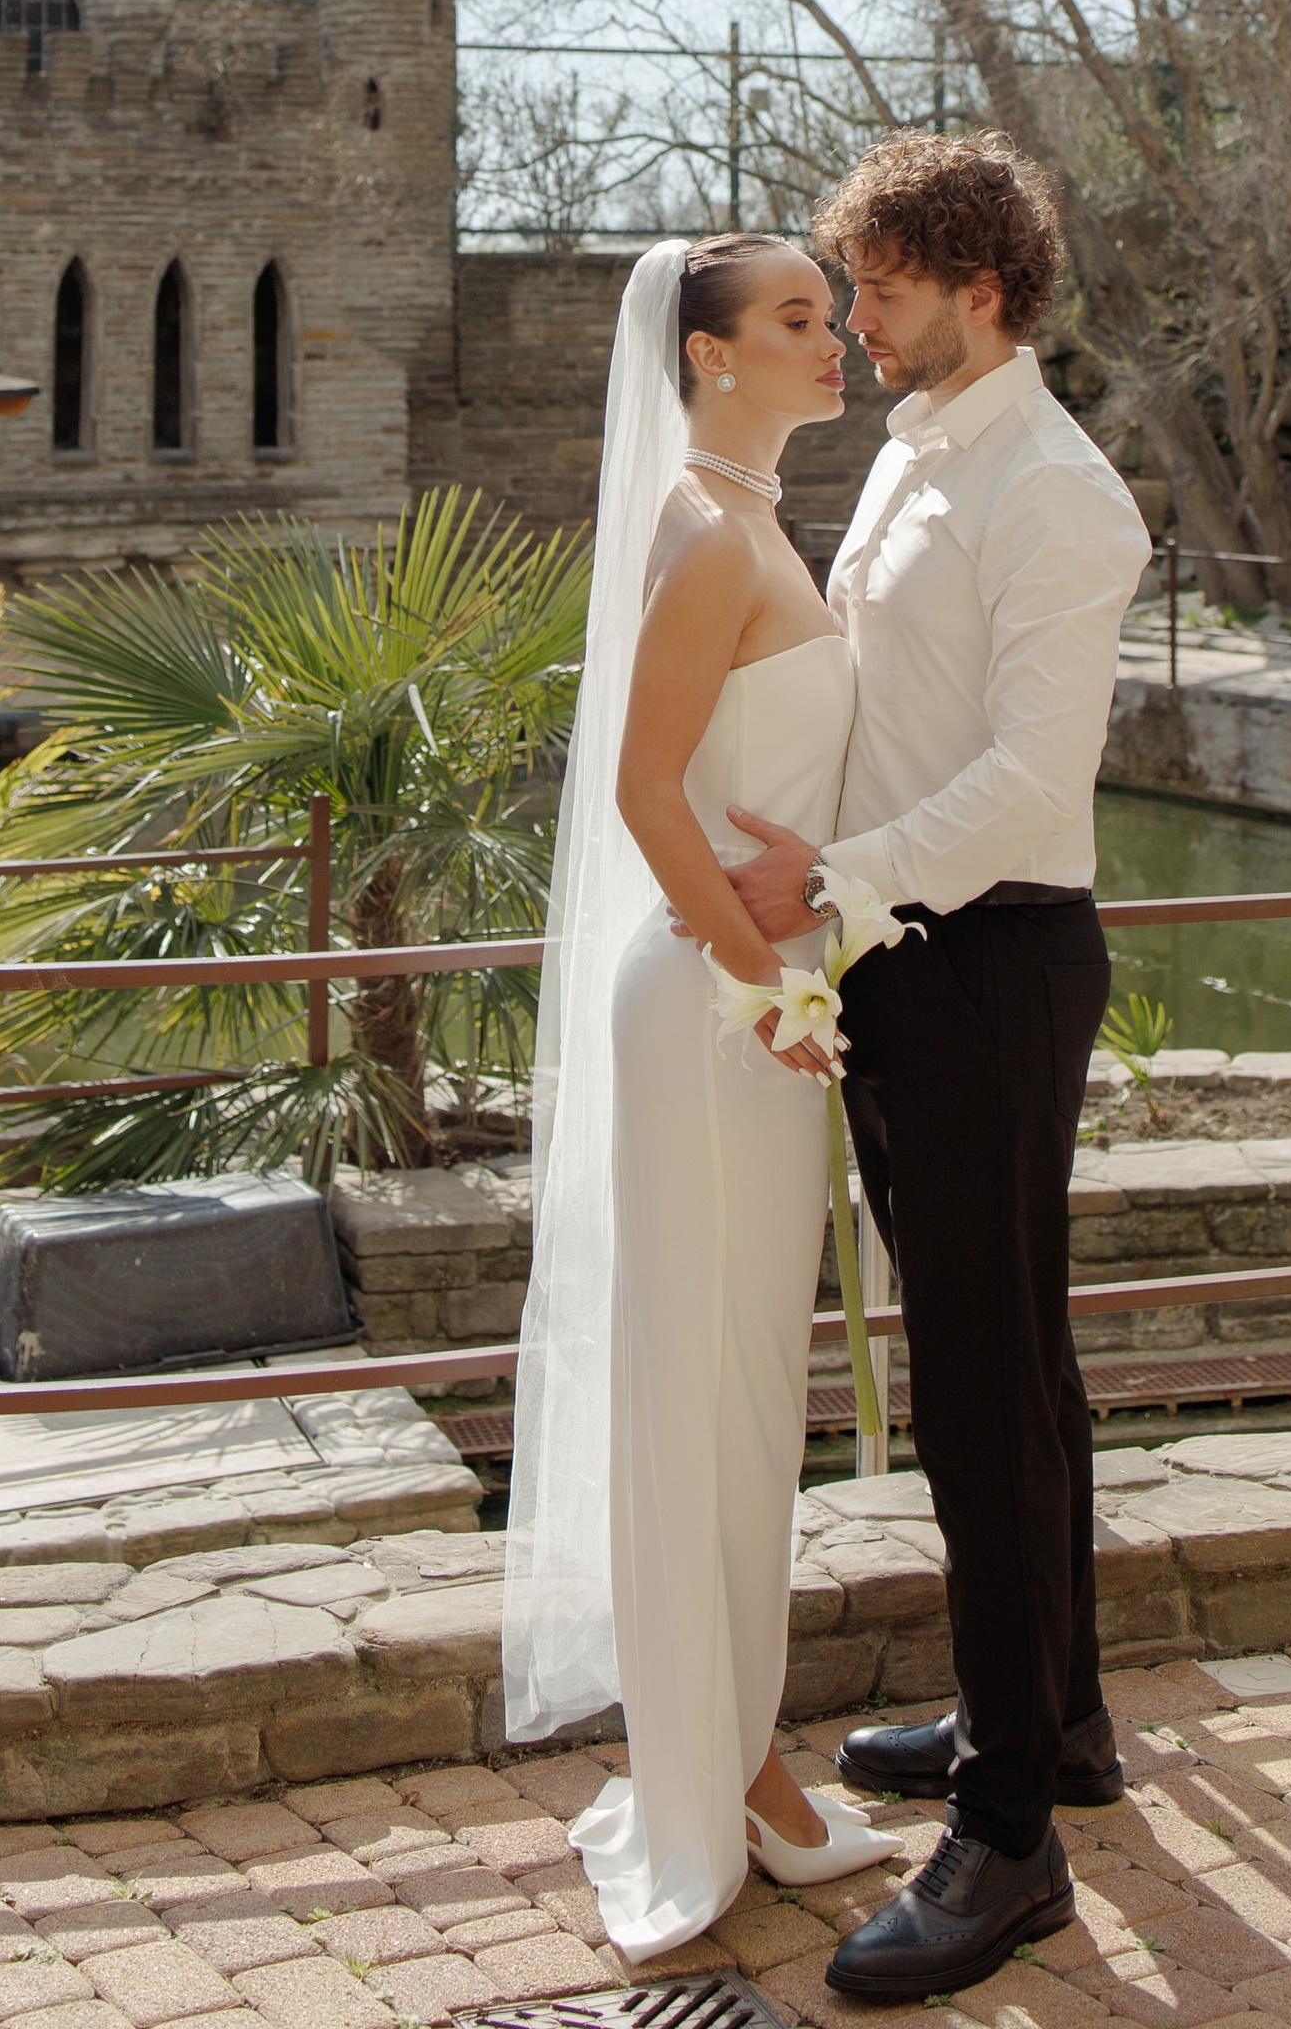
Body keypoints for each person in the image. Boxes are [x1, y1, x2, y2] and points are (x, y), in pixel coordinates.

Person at [720, 132, 1153, 2003]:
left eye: (881, 285)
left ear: (983, 287)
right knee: (1015, 1367)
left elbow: (1030, 794)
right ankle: (1053, 1723)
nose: (859, 317)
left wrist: (834, 878)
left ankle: (1007, 1842)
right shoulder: (913, 453)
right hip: (903, 957)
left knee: (983, 1392)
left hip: (987, 963)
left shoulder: (1061, 498)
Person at [502, 232, 899, 1961]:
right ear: (706, 354)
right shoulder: (703, 527)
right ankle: (717, 1776)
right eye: (800, 323)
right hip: (712, 1015)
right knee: (704, 1394)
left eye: (834, 318)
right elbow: (647, 783)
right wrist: (763, 981)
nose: (839, 344)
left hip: (754, 1009)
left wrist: (786, 975)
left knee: (749, 1390)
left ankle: (742, 1756)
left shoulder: (755, 520)